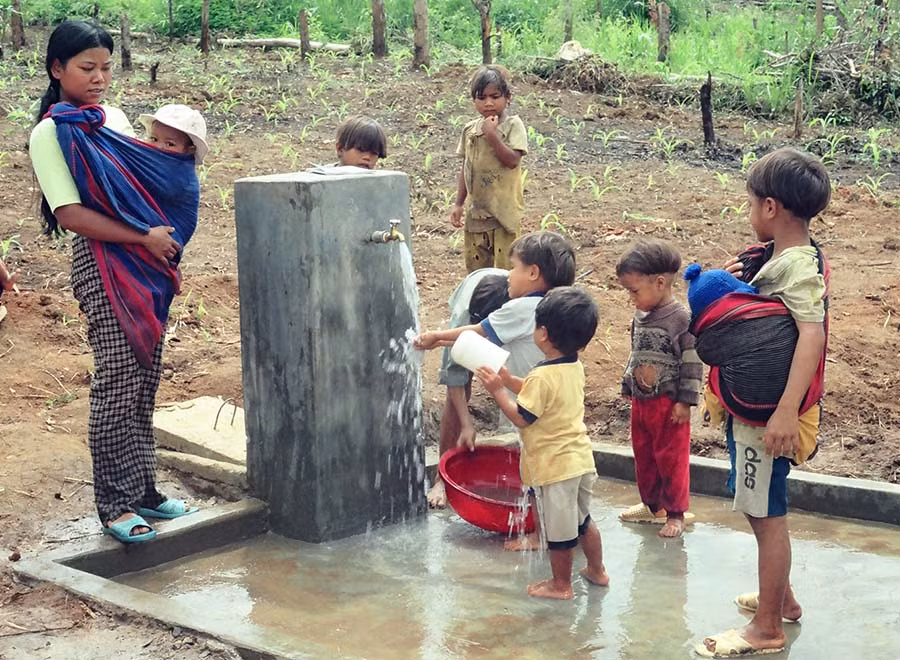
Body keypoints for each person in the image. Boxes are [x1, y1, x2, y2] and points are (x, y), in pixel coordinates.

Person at [29, 21, 200, 545]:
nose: (100, 77)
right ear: (58, 69)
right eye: (87, 68)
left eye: (106, 67)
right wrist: (143, 238)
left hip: (146, 261)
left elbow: (138, 179)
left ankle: (144, 490)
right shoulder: (48, 133)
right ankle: (114, 503)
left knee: (145, 377)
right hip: (104, 262)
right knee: (118, 381)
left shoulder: (115, 118)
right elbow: (73, 214)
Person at [696, 147, 831, 658]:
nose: (749, 213)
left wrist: (784, 412)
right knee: (758, 507)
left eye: (751, 204)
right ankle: (784, 599)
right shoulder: (786, 256)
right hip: (761, 411)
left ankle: (768, 627)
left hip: (770, 415)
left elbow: (811, 337)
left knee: (765, 513)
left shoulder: (795, 267)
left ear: (771, 207)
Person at [414, 230, 575, 548]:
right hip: (563, 413)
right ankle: (572, 536)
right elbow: (457, 370)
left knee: (539, 463)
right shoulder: (562, 307)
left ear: (532, 273)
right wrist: (466, 423)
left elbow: (473, 334)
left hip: (535, 404)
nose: (509, 273)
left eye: (513, 266)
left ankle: (541, 537)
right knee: (561, 476)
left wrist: (433, 336)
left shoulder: (519, 309)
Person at [475, 286, 608, 600]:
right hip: (578, 460)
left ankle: (561, 585)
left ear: (544, 334)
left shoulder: (540, 377)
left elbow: (523, 417)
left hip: (555, 468)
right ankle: (597, 571)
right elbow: (542, 397)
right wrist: (508, 381)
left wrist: (497, 391)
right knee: (583, 520)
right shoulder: (571, 367)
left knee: (560, 534)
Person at [616, 239, 702, 538]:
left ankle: (676, 512)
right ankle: (652, 506)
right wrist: (629, 383)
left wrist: (686, 401)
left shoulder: (681, 319)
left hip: (668, 405)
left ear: (661, 283)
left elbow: (692, 361)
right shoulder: (640, 316)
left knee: (671, 459)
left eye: (634, 291)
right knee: (644, 455)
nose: (631, 298)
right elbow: (636, 353)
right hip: (642, 402)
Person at [427, 268, 510, 508]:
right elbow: (454, 376)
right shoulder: (463, 319)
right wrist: (466, 424)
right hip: (473, 291)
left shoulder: (522, 311)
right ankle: (441, 479)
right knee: (462, 385)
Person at [450, 65, 527, 272]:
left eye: (495, 96)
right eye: (481, 98)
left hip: (504, 214)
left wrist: (492, 136)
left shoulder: (513, 126)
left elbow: (512, 160)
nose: (489, 103)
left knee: (506, 270)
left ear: (508, 97)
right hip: (477, 213)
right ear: (474, 100)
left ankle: (505, 303)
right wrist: (458, 203)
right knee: (477, 270)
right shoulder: (470, 130)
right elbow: (467, 168)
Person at [139, 104, 209, 162]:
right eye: (154, 139)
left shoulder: (180, 176)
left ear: (189, 150)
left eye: (170, 144)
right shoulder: (144, 163)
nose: (158, 147)